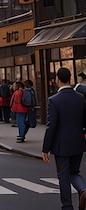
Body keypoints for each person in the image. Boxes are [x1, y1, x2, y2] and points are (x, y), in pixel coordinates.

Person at [42, 67, 86, 210]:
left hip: (61, 145)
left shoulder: (54, 100)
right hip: (78, 143)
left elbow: (51, 126)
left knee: (63, 176)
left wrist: (45, 148)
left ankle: (67, 206)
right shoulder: (80, 98)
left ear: (57, 79)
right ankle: (83, 190)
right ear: (70, 79)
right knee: (74, 172)